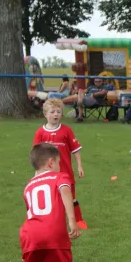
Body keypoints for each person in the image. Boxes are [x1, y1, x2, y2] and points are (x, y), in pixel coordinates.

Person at [8, 143, 81, 262]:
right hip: (54, 233)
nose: (59, 166)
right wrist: (72, 221)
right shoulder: (59, 177)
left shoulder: (28, 186)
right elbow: (65, 192)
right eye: (58, 162)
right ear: (50, 162)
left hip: (30, 234)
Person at [33, 99, 87, 230]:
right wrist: (36, 172)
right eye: (52, 112)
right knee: (51, 198)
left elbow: (75, 150)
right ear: (45, 114)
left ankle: (78, 220)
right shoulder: (40, 132)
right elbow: (37, 154)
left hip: (65, 172)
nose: (56, 114)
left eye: (58, 112)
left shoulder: (66, 131)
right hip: (47, 173)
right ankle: (53, 222)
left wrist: (79, 166)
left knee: (71, 197)